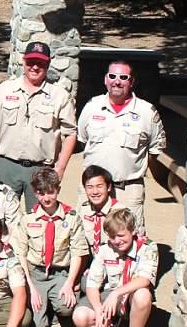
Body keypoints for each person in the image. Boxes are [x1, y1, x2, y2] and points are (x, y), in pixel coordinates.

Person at [0, 41, 77, 211]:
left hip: (41, 168)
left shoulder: (59, 96)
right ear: (23, 62)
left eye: (40, 63)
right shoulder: (5, 90)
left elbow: (70, 134)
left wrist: (60, 168)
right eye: (31, 62)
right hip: (7, 167)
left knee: (39, 220)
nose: (34, 67)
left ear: (47, 65)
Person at [77, 60, 166, 230]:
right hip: (93, 189)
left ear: (131, 82)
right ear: (105, 79)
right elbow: (82, 140)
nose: (117, 81)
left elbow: (156, 149)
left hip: (128, 190)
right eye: (112, 76)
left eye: (123, 77)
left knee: (130, 239)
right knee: (85, 238)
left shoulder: (146, 112)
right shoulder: (91, 107)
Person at [72, 209, 157, 327]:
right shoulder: (105, 249)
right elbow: (92, 284)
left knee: (143, 295)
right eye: (112, 237)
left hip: (130, 296)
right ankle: (112, 324)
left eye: (121, 235)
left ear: (133, 231)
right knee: (80, 318)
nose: (117, 241)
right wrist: (98, 311)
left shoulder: (147, 247)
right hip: (110, 295)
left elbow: (145, 279)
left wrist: (117, 293)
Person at [12, 168, 88, 327]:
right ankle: (44, 308)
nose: (46, 198)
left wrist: (69, 283)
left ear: (58, 190)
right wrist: (30, 285)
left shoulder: (71, 217)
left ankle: (54, 306)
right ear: (35, 192)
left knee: (66, 307)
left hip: (59, 273)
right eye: (41, 193)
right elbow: (20, 253)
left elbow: (77, 253)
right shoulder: (28, 218)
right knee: (40, 326)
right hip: (35, 274)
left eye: (50, 192)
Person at [78, 165, 127, 254]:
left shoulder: (121, 213)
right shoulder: (82, 210)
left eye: (99, 186)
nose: (95, 192)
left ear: (108, 187)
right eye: (90, 187)